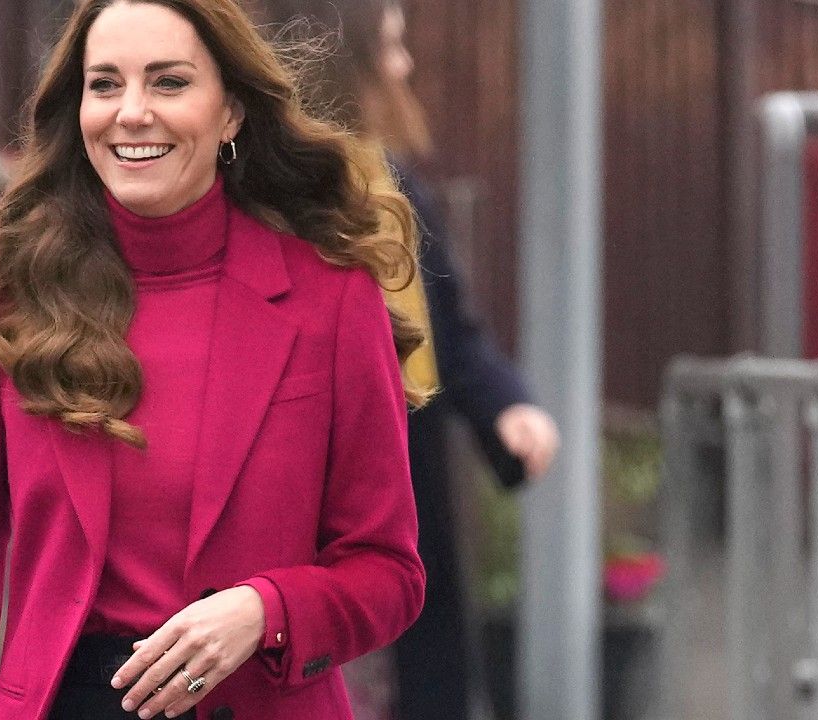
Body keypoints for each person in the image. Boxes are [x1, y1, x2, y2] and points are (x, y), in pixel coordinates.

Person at [0, 1, 432, 718]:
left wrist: (265, 610)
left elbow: (389, 572)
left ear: (229, 111)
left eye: (168, 82)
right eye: (105, 85)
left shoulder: (330, 299)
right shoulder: (3, 312)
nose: (131, 112)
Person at [259, 2, 561, 718]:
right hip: (303, 456)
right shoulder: (267, 188)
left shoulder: (391, 181)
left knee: (421, 645)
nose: (404, 65)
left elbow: (447, 327)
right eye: (391, 45)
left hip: (402, 443)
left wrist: (505, 406)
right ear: (345, 61)